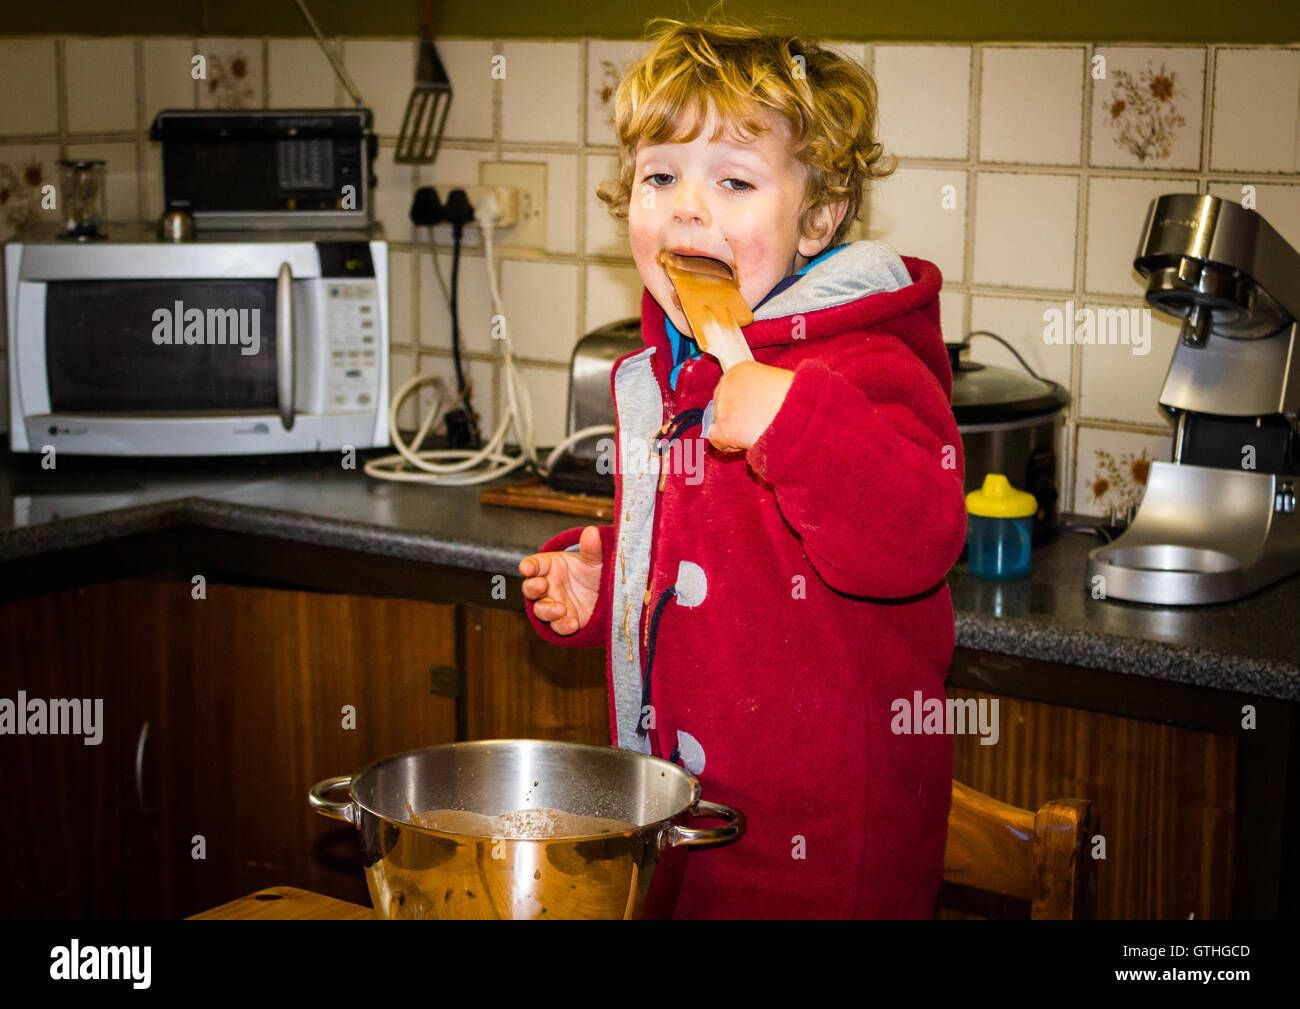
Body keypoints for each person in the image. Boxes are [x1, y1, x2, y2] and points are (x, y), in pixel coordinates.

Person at [518, 16, 967, 918]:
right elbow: (714, 562)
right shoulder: (680, 371)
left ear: (820, 216)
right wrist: (610, 577)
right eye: (660, 176)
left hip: (827, 860)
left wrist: (795, 420)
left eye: (733, 179)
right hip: (687, 836)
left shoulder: (865, 360)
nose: (688, 206)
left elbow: (919, 534)